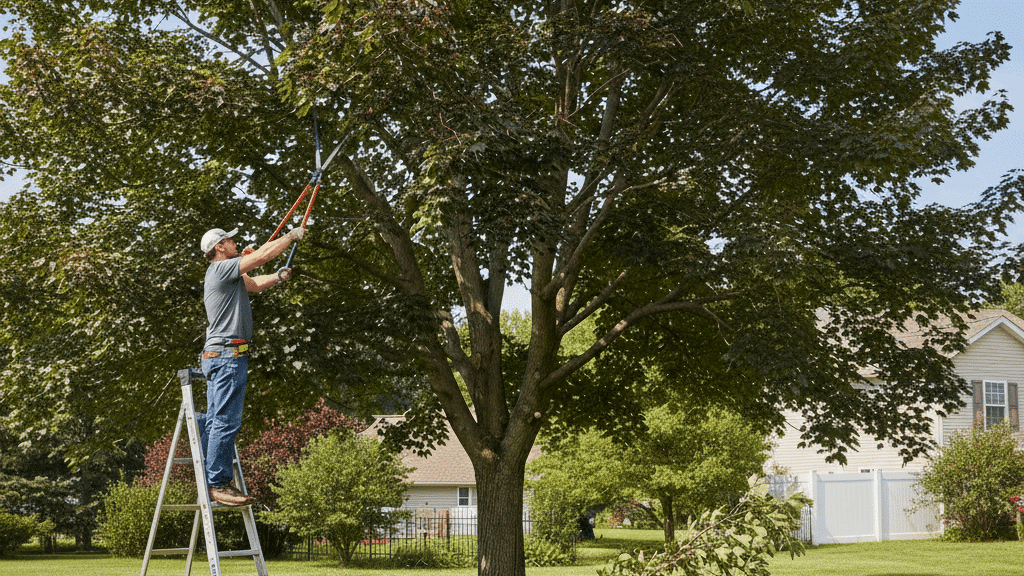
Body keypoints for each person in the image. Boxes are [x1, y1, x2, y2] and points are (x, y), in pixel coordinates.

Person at [196, 226, 304, 506]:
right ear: (220, 247)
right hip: (227, 356)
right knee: (225, 421)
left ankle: (206, 454)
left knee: (215, 420)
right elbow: (260, 258)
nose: (235, 243)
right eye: (230, 240)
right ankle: (218, 484)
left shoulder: (228, 274)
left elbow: (254, 283)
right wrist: (289, 237)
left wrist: (278, 277)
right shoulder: (220, 270)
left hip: (223, 356)